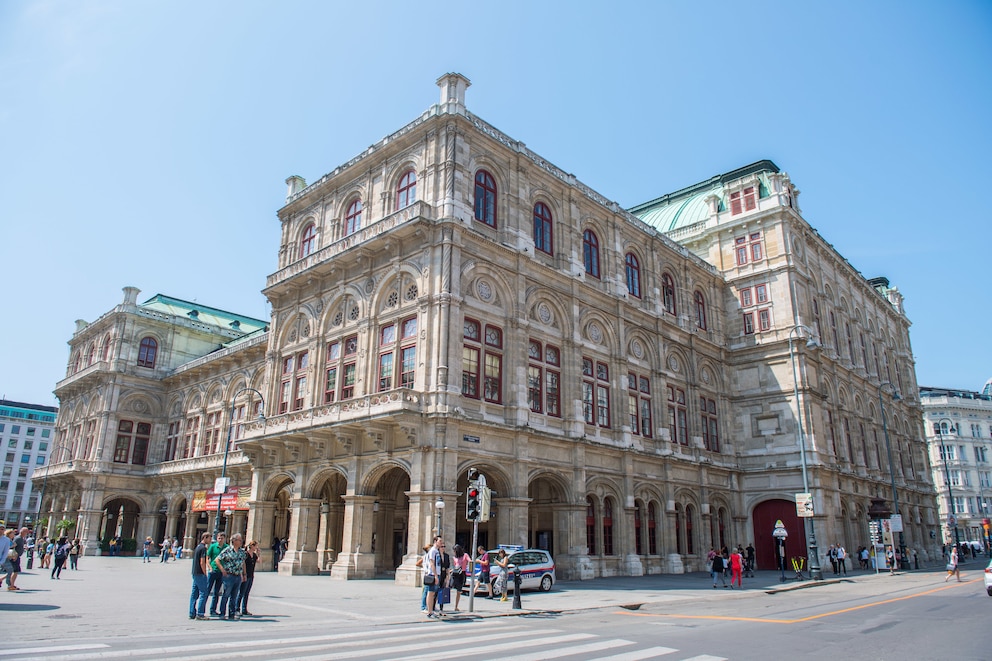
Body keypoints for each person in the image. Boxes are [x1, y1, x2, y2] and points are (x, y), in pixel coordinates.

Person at [216, 533, 247, 620]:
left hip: (238, 576)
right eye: (239, 540)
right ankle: (222, 613)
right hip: (229, 576)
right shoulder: (227, 550)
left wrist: (244, 574)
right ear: (234, 541)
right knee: (226, 595)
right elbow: (217, 560)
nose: (241, 542)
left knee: (234, 596)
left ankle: (231, 614)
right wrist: (222, 570)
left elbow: (243, 563)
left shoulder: (242, 552)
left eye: (241, 540)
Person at [189, 532, 212, 620]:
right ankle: (200, 613)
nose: (210, 540)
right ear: (205, 538)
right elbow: (202, 562)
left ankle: (192, 613)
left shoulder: (198, 547)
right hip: (200, 573)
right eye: (209, 538)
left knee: (194, 594)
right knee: (204, 593)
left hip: (194, 572)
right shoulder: (203, 548)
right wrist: (205, 573)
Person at [206, 532, 228, 617]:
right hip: (213, 571)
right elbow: (207, 558)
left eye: (222, 538)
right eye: (219, 538)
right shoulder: (212, 546)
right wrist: (210, 567)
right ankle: (202, 610)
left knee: (216, 592)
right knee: (207, 590)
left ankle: (213, 610)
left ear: (224, 539)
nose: (220, 540)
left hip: (221, 572)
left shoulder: (227, 547)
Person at [238, 540, 259, 616]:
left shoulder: (254, 555)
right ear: (252, 546)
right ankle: (237, 609)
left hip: (251, 575)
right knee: (241, 592)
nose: (257, 547)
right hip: (246, 575)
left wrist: (259, 553)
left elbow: (259, 561)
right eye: (256, 546)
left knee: (247, 593)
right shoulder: (245, 554)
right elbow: (242, 564)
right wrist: (244, 574)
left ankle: (244, 609)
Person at [423, 536, 442, 618]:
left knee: (433, 593)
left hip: (437, 574)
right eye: (440, 541)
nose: (441, 543)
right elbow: (432, 563)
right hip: (432, 574)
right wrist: (435, 576)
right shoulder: (432, 551)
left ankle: (431, 610)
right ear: (435, 541)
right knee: (430, 593)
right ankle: (429, 611)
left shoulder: (437, 551)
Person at [450, 544, 469, 612]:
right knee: (448, 587)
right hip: (455, 574)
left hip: (462, 574)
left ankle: (456, 606)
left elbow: (470, 561)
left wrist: (470, 567)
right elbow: (455, 566)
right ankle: (441, 603)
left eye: (454, 551)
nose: (454, 552)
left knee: (459, 591)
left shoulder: (465, 555)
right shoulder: (454, 557)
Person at [1, 526, 16, 591]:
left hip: (3, 558)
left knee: (10, 570)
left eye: (2, 529)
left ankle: (9, 584)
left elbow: (6, 551)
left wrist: (2, 561)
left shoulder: (6, 540)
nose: (1, 530)